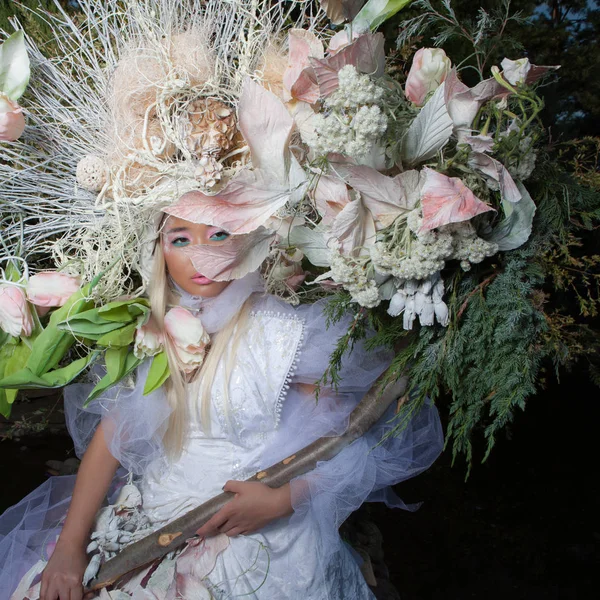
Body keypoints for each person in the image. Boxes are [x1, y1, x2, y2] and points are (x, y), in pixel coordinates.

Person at [1, 213, 443, 599]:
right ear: (158, 250)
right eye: (180, 239)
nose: (201, 257)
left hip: (251, 521)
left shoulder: (283, 332)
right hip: (154, 507)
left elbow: (345, 437)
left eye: (218, 235)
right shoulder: (150, 331)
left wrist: (285, 499)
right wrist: (70, 545)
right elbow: (114, 433)